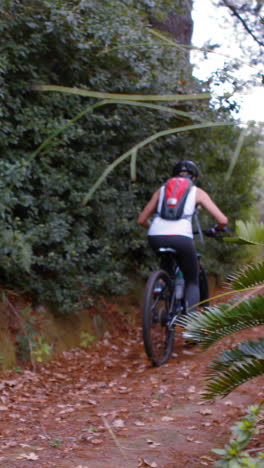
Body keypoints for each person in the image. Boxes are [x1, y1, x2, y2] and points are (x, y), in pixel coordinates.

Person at [137, 160, 228, 313]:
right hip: (181, 238)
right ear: (194, 178)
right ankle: (191, 328)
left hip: (155, 236)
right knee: (192, 280)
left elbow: (141, 220)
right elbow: (223, 220)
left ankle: (160, 285)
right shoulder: (197, 192)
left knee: (166, 263)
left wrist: (156, 228)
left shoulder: (162, 190)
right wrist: (216, 229)